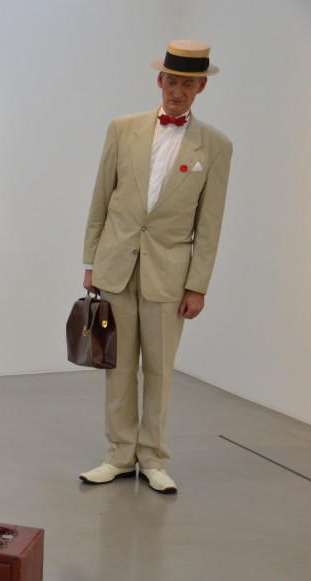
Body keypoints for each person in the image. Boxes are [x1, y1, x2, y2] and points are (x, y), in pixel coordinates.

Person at [80, 40, 233, 493]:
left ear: (201, 86)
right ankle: (119, 455)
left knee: (161, 371)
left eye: (188, 83)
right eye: (171, 80)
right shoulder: (121, 128)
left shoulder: (217, 146)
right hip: (115, 267)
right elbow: (99, 199)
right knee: (118, 366)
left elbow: (210, 224)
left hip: (170, 275)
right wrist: (90, 261)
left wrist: (198, 286)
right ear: (159, 80)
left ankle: (153, 458)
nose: (177, 90)